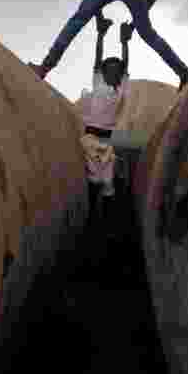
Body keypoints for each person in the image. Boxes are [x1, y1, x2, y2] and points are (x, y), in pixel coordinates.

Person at [29, 0, 188, 90]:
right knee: (149, 34)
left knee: (77, 20)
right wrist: (133, 27)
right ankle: (184, 73)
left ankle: (45, 68)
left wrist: (99, 21)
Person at [79, 16, 134, 230]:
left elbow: (126, 65)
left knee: (109, 183)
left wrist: (125, 44)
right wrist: (100, 35)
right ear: (103, 72)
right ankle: (93, 215)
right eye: (107, 69)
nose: (111, 72)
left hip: (105, 140)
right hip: (92, 138)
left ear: (119, 75)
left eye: (115, 70)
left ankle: (107, 221)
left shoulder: (121, 90)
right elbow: (97, 59)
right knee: (95, 180)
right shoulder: (98, 82)